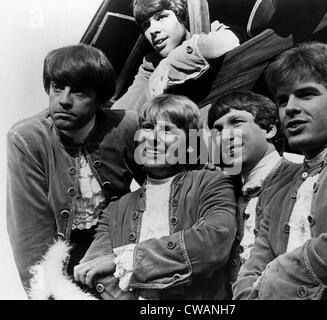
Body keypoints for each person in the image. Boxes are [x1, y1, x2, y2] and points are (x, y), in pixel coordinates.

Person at [233, 42, 327, 300]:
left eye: (306, 94)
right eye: (282, 100)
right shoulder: (279, 185)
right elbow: (252, 267)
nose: (290, 108)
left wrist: (268, 283)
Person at [7, 44, 144, 295]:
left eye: (79, 91)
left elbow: (163, 183)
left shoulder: (127, 125)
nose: (63, 100)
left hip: (122, 248)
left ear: (99, 99)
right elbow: (31, 233)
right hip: (68, 263)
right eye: (57, 87)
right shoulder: (27, 139)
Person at [74, 94, 238, 300]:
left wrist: (128, 259)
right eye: (148, 127)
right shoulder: (115, 209)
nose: (152, 138)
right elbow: (92, 271)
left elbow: (212, 244)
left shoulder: (211, 183)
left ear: (190, 141)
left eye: (167, 130)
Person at [207, 91, 299, 272]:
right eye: (218, 130)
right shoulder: (225, 195)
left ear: (269, 129)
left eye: (236, 122)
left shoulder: (303, 176)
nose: (225, 136)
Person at [112, 0, 241, 111]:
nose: (152, 30)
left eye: (161, 17)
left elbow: (228, 40)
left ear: (180, 17)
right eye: (146, 25)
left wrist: (170, 63)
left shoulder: (210, 29)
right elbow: (124, 110)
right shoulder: (150, 64)